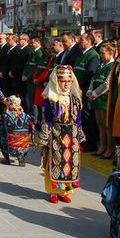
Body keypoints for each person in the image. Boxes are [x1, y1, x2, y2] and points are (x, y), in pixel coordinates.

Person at [38, 66, 83, 204]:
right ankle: (53, 191)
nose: (66, 84)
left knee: (69, 163)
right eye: (63, 81)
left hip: (71, 135)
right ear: (56, 81)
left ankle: (64, 191)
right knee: (55, 161)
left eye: (69, 81)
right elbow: (46, 118)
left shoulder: (75, 99)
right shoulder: (50, 98)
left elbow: (79, 119)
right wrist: (46, 135)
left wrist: (79, 134)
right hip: (56, 134)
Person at [87, 43, 116, 159]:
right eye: (100, 53)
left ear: (111, 53)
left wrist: (95, 93)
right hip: (96, 99)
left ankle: (109, 149)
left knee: (107, 125)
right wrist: (90, 91)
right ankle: (102, 146)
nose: (101, 55)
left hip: (105, 99)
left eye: (103, 53)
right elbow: (93, 79)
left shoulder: (112, 66)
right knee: (100, 124)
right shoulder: (101, 65)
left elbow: (107, 83)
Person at [0, 95, 33, 167]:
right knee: (24, 136)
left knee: (1, 137)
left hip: (11, 144)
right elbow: (31, 128)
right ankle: (21, 156)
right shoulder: (26, 116)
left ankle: (6, 158)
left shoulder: (6, 116)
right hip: (24, 144)